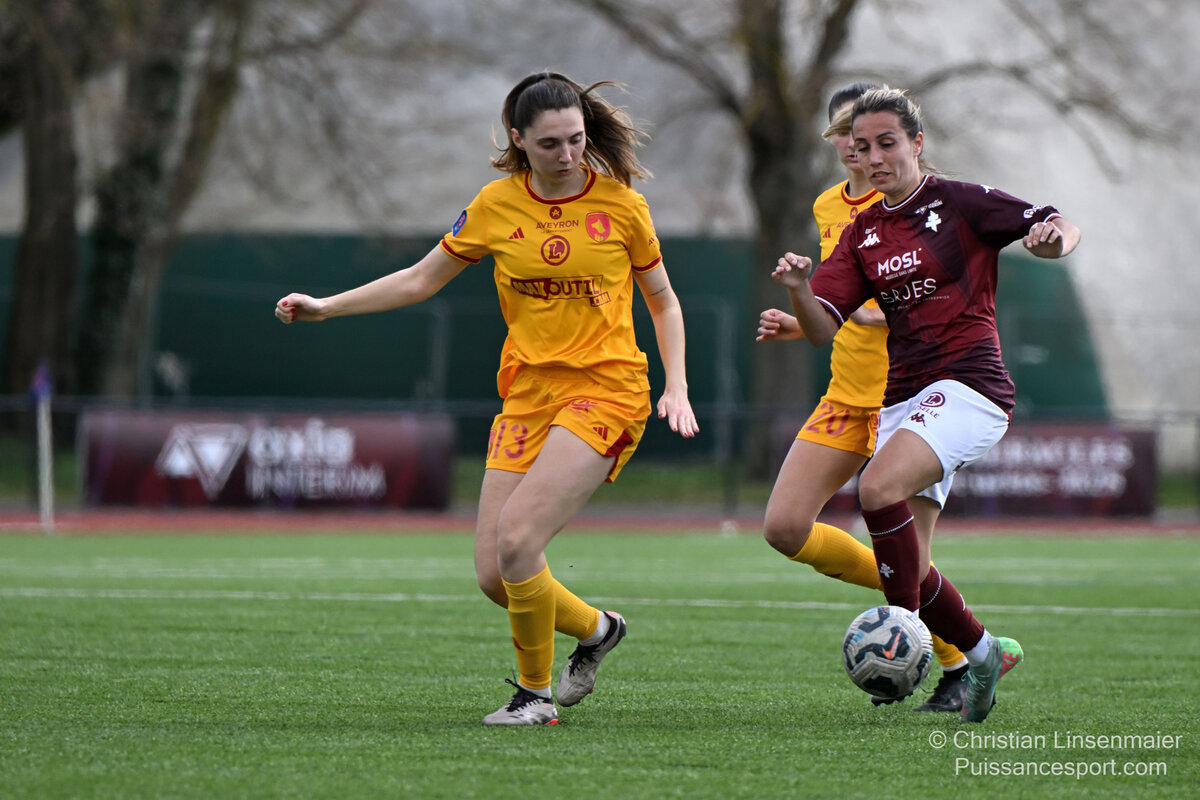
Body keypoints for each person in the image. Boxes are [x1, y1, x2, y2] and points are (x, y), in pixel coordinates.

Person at [275, 72, 699, 725]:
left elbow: (663, 301)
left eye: (576, 139)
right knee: (496, 576)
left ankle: (534, 698)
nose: (568, 154)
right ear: (518, 140)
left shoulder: (621, 205)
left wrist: (677, 385)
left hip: (608, 388)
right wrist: (326, 307)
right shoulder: (495, 205)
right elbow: (419, 280)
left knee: (520, 538)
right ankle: (597, 630)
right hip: (527, 394)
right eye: (551, 143)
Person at [771, 87, 1080, 723]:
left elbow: (1056, 224)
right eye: (863, 147)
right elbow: (824, 326)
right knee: (907, 562)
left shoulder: (958, 201)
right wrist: (800, 289)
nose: (874, 157)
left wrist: (1053, 242)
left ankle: (904, 637)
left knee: (876, 487)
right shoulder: (861, 233)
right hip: (903, 399)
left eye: (887, 143)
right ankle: (983, 652)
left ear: (916, 142)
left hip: (969, 385)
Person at [757, 82, 969, 712]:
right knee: (784, 527)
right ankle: (915, 616)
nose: (859, 147)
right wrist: (801, 317)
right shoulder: (829, 204)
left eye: (872, 137)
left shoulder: (922, 202)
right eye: (846, 135)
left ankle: (960, 659)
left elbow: (929, 296)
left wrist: (864, 311)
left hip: (911, 399)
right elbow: (839, 301)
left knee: (911, 558)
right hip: (846, 396)